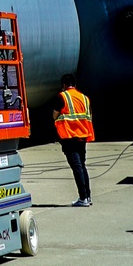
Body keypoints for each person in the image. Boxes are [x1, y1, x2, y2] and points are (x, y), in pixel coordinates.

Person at [53, 75, 94, 206]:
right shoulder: (84, 98)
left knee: (76, 167)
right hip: (83, 136)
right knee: (82, 166)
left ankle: (83, 198)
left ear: (64, 85)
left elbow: (55, 115)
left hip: (69, 136)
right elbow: (89, 116)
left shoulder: (63, 96)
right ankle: (87, 196)